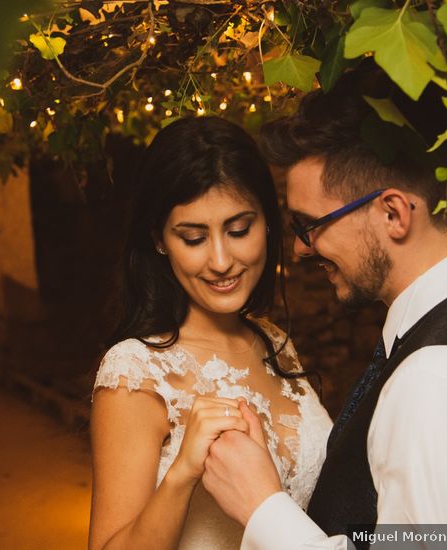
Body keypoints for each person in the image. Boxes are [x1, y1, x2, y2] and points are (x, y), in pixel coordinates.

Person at [200, 68, 447, 549]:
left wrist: (263, 508)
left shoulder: (438, 382)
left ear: (393, 213)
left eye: (310, 225)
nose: (301, 250)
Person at [88, 116, 333, 550]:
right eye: (194, 238)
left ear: (268, 222)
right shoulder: (136, 371)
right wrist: (183, 473)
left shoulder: (275, 343)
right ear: (160, 240)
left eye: (239, 230)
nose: (221, 260)